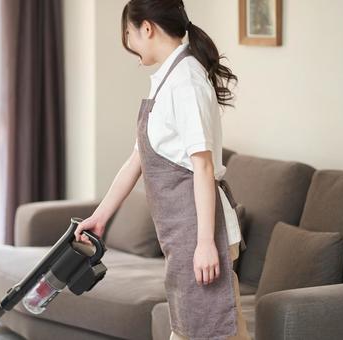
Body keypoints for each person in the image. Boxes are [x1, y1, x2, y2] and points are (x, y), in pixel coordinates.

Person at [74, 1, 250, 339]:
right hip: (184, 234)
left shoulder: (186, 82)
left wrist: (204, 244)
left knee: (202, 330)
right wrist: (100, 217)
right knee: (214, 330)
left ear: (147, 28)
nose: (128, 43)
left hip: (200, 232)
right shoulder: (167, 78)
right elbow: (137, 160)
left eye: (128, 32)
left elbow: (203, 167)